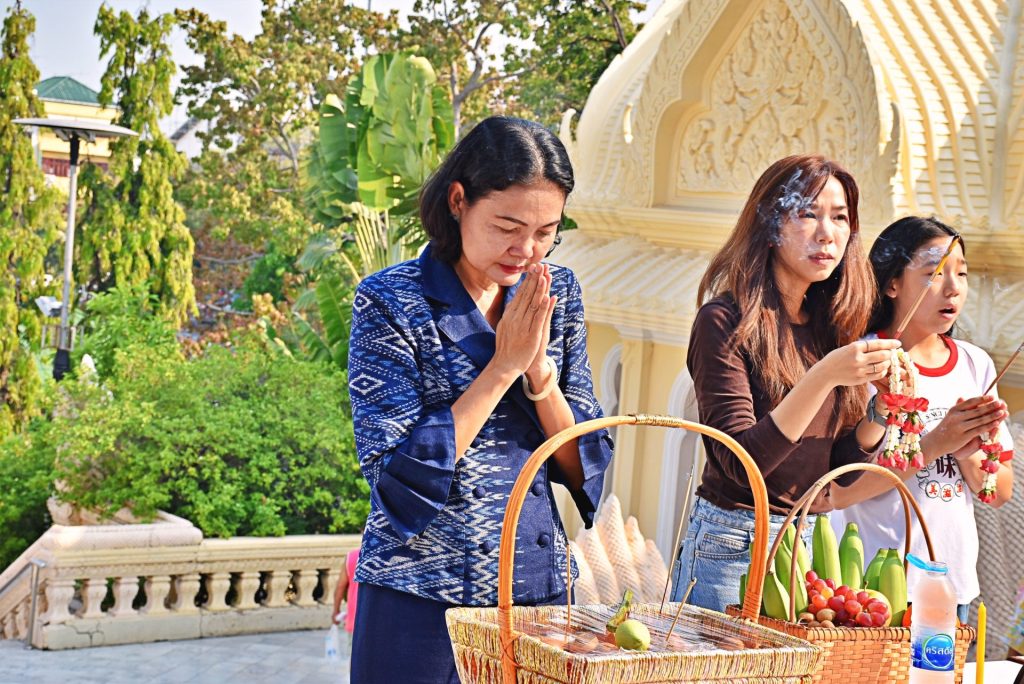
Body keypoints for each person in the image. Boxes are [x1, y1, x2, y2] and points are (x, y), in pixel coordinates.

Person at [347, 116, 613, 684]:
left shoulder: (556, 292)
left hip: (536, 595)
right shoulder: (390, 301)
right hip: (418, 598)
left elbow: (581, 461)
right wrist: (503, 367)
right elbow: (393, 476)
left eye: (546, 232)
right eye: (507, 227)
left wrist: (539, 375)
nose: (526, 249)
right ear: (458, 201)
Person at [670, 154, 901, 612]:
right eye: (808, 214)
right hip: (733, 542)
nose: (827, 233)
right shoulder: (724, 321)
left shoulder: (832, 324)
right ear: (771, 226)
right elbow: (742, 465)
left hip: (807, 544)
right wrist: (823, 376)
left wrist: (881, 412)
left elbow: (840, 471)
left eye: (840, 218)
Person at [830, 216, 1012, 624]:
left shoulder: (975, 365)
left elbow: (999, 491)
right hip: (870, 586)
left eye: (961, 274)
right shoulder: (861, 362)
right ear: (892, 284)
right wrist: (936, 443)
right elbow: (839, 492)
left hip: (948, 585)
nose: (953, 288)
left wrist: (966, 451)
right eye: (934, 273)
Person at [331, 545, 360, 649]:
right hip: (378, 621)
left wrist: (336, 611)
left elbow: (340, 587)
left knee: (354, 655)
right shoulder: (384, 555)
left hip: (354, 620)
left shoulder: (352, 557)